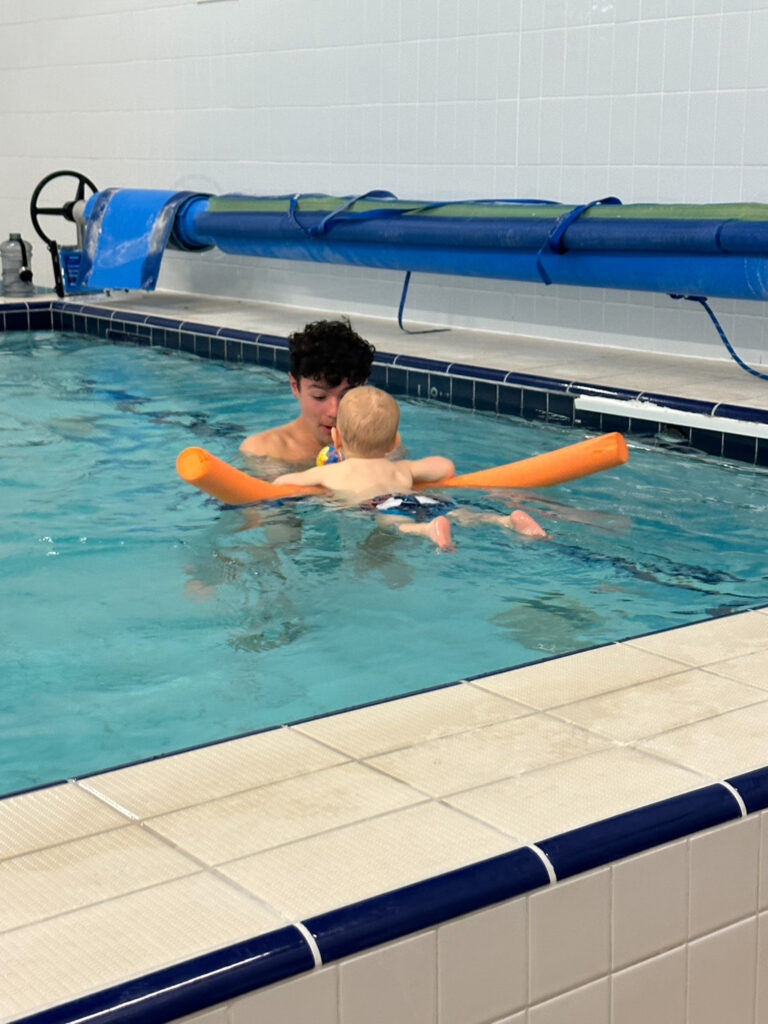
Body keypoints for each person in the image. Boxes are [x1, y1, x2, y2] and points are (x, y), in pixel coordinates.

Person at [274, 386, 547, 549]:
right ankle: (504, 520)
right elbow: (444, 467)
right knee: (464, 513)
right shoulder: (401, 468)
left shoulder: (329, 473)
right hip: (423, 498)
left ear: (336, 439)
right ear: (393, 442)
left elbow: (283, 484)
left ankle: (427, 531)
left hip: (380, 504)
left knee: (394, 523)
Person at [240, 318, 376, 464]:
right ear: (294, 386)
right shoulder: (265, 451)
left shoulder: (380, 443)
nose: (334, 412)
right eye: (319, 396)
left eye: (346, 396)